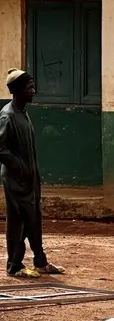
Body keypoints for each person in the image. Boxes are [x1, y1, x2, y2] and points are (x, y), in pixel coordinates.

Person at [1, 70, 64, 279]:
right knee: (18, 222)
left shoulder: (23, 113)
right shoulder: (8, 115)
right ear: (17, 90)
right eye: (29, 87)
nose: (33, 90)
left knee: (34, 219)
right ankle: (15, 266)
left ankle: (40, 262)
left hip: (29, 179)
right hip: (16, 180)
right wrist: (19, 165)